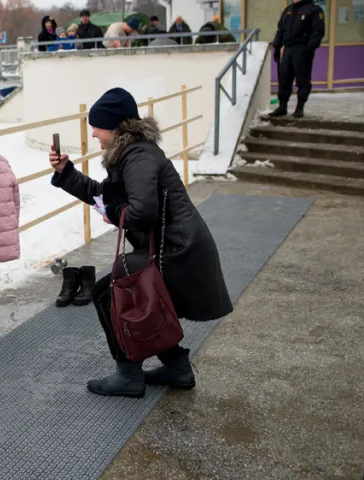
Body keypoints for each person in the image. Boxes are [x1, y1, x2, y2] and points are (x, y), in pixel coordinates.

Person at [48, 87, 233, 398]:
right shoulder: (130, 154)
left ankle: (128, 374)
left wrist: (115, 214)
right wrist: (66, 173)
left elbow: (141, 211)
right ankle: (175, 366)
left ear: (115, 126)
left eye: (97, 126)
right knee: (142, 297)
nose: (93, 134)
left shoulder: (138, 156)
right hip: (171, 246)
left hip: (176, 250)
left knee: (110, 293)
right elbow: (105, 197)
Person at [269, 0, 325, 118]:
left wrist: (309, 48)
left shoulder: (314, 10)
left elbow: (318, 32)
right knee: (284, 79)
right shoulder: (288, 10)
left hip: (302, 49)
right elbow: (280, 30)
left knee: (302, 80)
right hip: (288, 49)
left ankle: (300, 107)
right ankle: (282, 106)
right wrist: (277, 47)